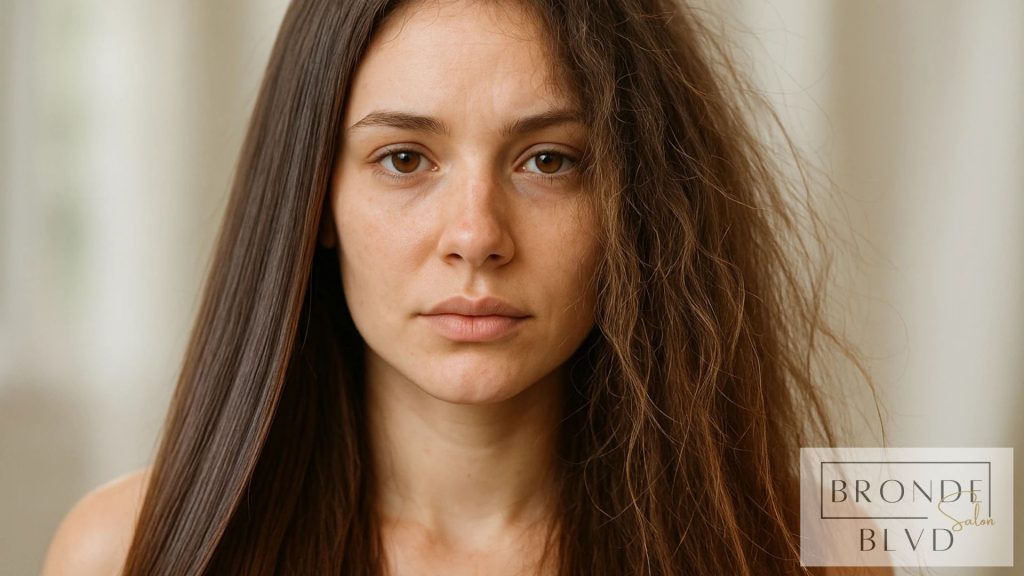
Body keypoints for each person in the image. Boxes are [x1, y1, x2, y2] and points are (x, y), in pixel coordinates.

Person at [41, 0, 892, 574]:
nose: (477, 237)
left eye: (549, 161)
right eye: (404, 159)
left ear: (638, 204)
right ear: (316, 200)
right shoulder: (123, 551)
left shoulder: (823, 547)